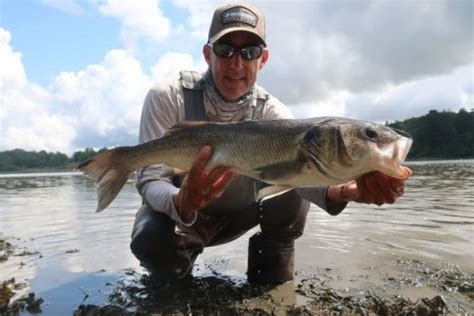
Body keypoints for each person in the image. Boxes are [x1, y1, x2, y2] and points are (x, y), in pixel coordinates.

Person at [130, 3, 410, 285]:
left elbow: (306, 180)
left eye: (249, 52)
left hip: (238, 215)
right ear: (207, 54)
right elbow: (151, 178)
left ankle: (270, 287)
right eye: (225, 49)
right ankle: (173, 287)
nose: (236, 63)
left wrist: (352, 191)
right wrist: (182, 201)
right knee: (150, 235)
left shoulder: (275, 114)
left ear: (262, 59)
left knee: (295, 180)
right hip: (181, 222)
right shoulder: (167, 97)